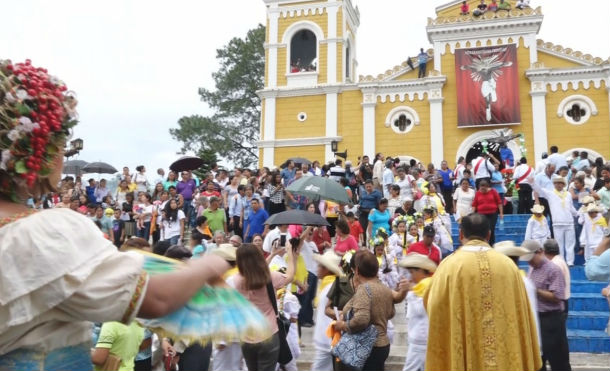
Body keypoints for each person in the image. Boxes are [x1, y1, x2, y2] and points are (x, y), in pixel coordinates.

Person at [0, 59, 236, 370]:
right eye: (61, 142)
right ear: (36, 150)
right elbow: (156, 299)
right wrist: (212, 262)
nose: (64, 153)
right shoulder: (45, 232)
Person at [424, 214, 542, 371]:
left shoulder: (448, 266)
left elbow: (433, 305)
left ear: (460, 235)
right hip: (504, 358)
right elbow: (523, 312)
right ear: (489, 234)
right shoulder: (508, 266)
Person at [233, 243, 296, 371]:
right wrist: (290, 253)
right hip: (269, 334)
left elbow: (254, 272)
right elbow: (290, 276)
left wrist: (272, 254)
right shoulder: (270, 277)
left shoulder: (237, 280)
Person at [333, 250, 396, 371]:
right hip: (383, 344)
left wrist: (343, 325)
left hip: (368, 348)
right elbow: (391, 313)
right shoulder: (384, 288)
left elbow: (362, 319)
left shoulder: (364, 289)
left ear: (356, 270)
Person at [522, 240, 571, 371]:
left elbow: (557, 296)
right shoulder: (532, 268)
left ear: (540, 252)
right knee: (538, 358)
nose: (529, 262)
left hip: (552, 319)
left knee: (558, 359)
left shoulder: (553, 269)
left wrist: (534, 290)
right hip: (537, 317)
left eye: (531, 258)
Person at [398, 253, 437, 371]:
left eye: (412, 272)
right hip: (419, 338)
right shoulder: (420, 287)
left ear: (420, 271)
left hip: (420, 340)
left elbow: (420, 310)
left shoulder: (427, 286)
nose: (411, 276)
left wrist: (411, 291)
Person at [531, 174, 578, 265]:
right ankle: (561, 261)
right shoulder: (551, 193)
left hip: (569, 222)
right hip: (557, 223)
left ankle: (570, 262)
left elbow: (571, 207)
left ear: (563, 184)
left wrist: (578, 214)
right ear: (554, 184)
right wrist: (533, 183)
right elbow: (539, 190)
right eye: (556, 183)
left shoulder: (568, 194)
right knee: (559, 244)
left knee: (570, 243)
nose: (558, 185)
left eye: (560, 183)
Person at [311, 250, 344, 371]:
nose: (317, 268)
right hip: (326, 339)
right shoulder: (327, 285)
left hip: (327, 340)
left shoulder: (331, 287)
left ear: (326, 269)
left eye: (320, 266)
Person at [544, 239, 571, 317]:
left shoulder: (555, 263)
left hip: (559, 302)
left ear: (545, 251)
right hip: (563, 300)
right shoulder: (559, 260)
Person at [472, 179, 503, 245]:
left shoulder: (493, 191)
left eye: (484, 188)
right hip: (481, 214)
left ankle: (491, 244)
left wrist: (501, 213)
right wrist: (472, 214)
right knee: (482, 229)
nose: (482, 190)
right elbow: (474, 204)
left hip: (492, 213)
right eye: (481, 188)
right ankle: (483, 243)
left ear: (487, 187)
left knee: (491, 229)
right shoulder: (478, 193)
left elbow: (499, 203)